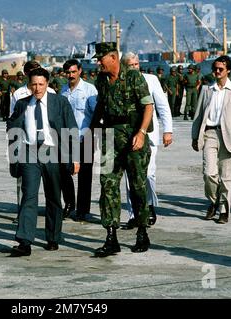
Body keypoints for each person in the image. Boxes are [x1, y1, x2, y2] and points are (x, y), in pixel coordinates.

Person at [6, 67, 80, 257]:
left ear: (47, 84)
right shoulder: (22, 104)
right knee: (28, 196)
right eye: (34, 84)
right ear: (28, 85)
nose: (37, 88)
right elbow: (12, 128)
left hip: (53, 152)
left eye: (41, 84)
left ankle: (53, 237)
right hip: (30, 153)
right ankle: (24, 241)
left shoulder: (60, 102)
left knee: (54, 197)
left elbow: (71, 129)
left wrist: (75, 158)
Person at [91, 42, 154, 256]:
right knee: (107, 185)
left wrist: (142, 133)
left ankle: (142, 231)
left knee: (137, 186)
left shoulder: (135, 77)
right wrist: (93, 128)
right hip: (109, 137)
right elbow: (101, 103)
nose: (98, 63)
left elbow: (148, 106)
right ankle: (111, 237)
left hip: (132, 136)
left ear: (113, 58)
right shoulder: (101, 79)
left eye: (101, 59)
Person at [192, 55, 231, 224]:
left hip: (230, 136)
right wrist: (195, 137)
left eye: (221, 69)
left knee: (226, 176)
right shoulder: (206, 90)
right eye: (215, 69)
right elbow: (198, 116)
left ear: (228, 71)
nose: (217, 72)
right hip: (210, 134)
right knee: (209, 173)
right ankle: (213, 202)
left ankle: (224, 209)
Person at [121, 52, 173, 228]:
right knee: (130, 178)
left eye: (136, 64)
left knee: (148, 174)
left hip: (149, 135)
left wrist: (168, 130)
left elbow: (162, 106)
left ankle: (149, 204)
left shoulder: (150, 80)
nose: (135, 68)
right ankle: (133, 214)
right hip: (127, 136)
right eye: (131, 65)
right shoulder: (120, 82)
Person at [9, 61, 56, 223]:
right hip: (26, 146)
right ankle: (23, 214)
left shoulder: (50, 92)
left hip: (49, 148)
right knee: (24, 184)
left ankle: (52, 219)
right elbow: (13, 120)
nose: (37, 86)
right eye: (32, 73)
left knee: (52, 188)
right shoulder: (19, 95)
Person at [60, 59, 98, 221]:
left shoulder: (90, 90)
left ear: (80, 71)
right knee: (63, 172)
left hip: (85, 138)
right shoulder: (63, 91)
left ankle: (83, 210)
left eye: (73, 72)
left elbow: (96, 115)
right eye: (68, 72)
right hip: (66, 138)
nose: (71, 75)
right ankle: (69, 203)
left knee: (85, 175)